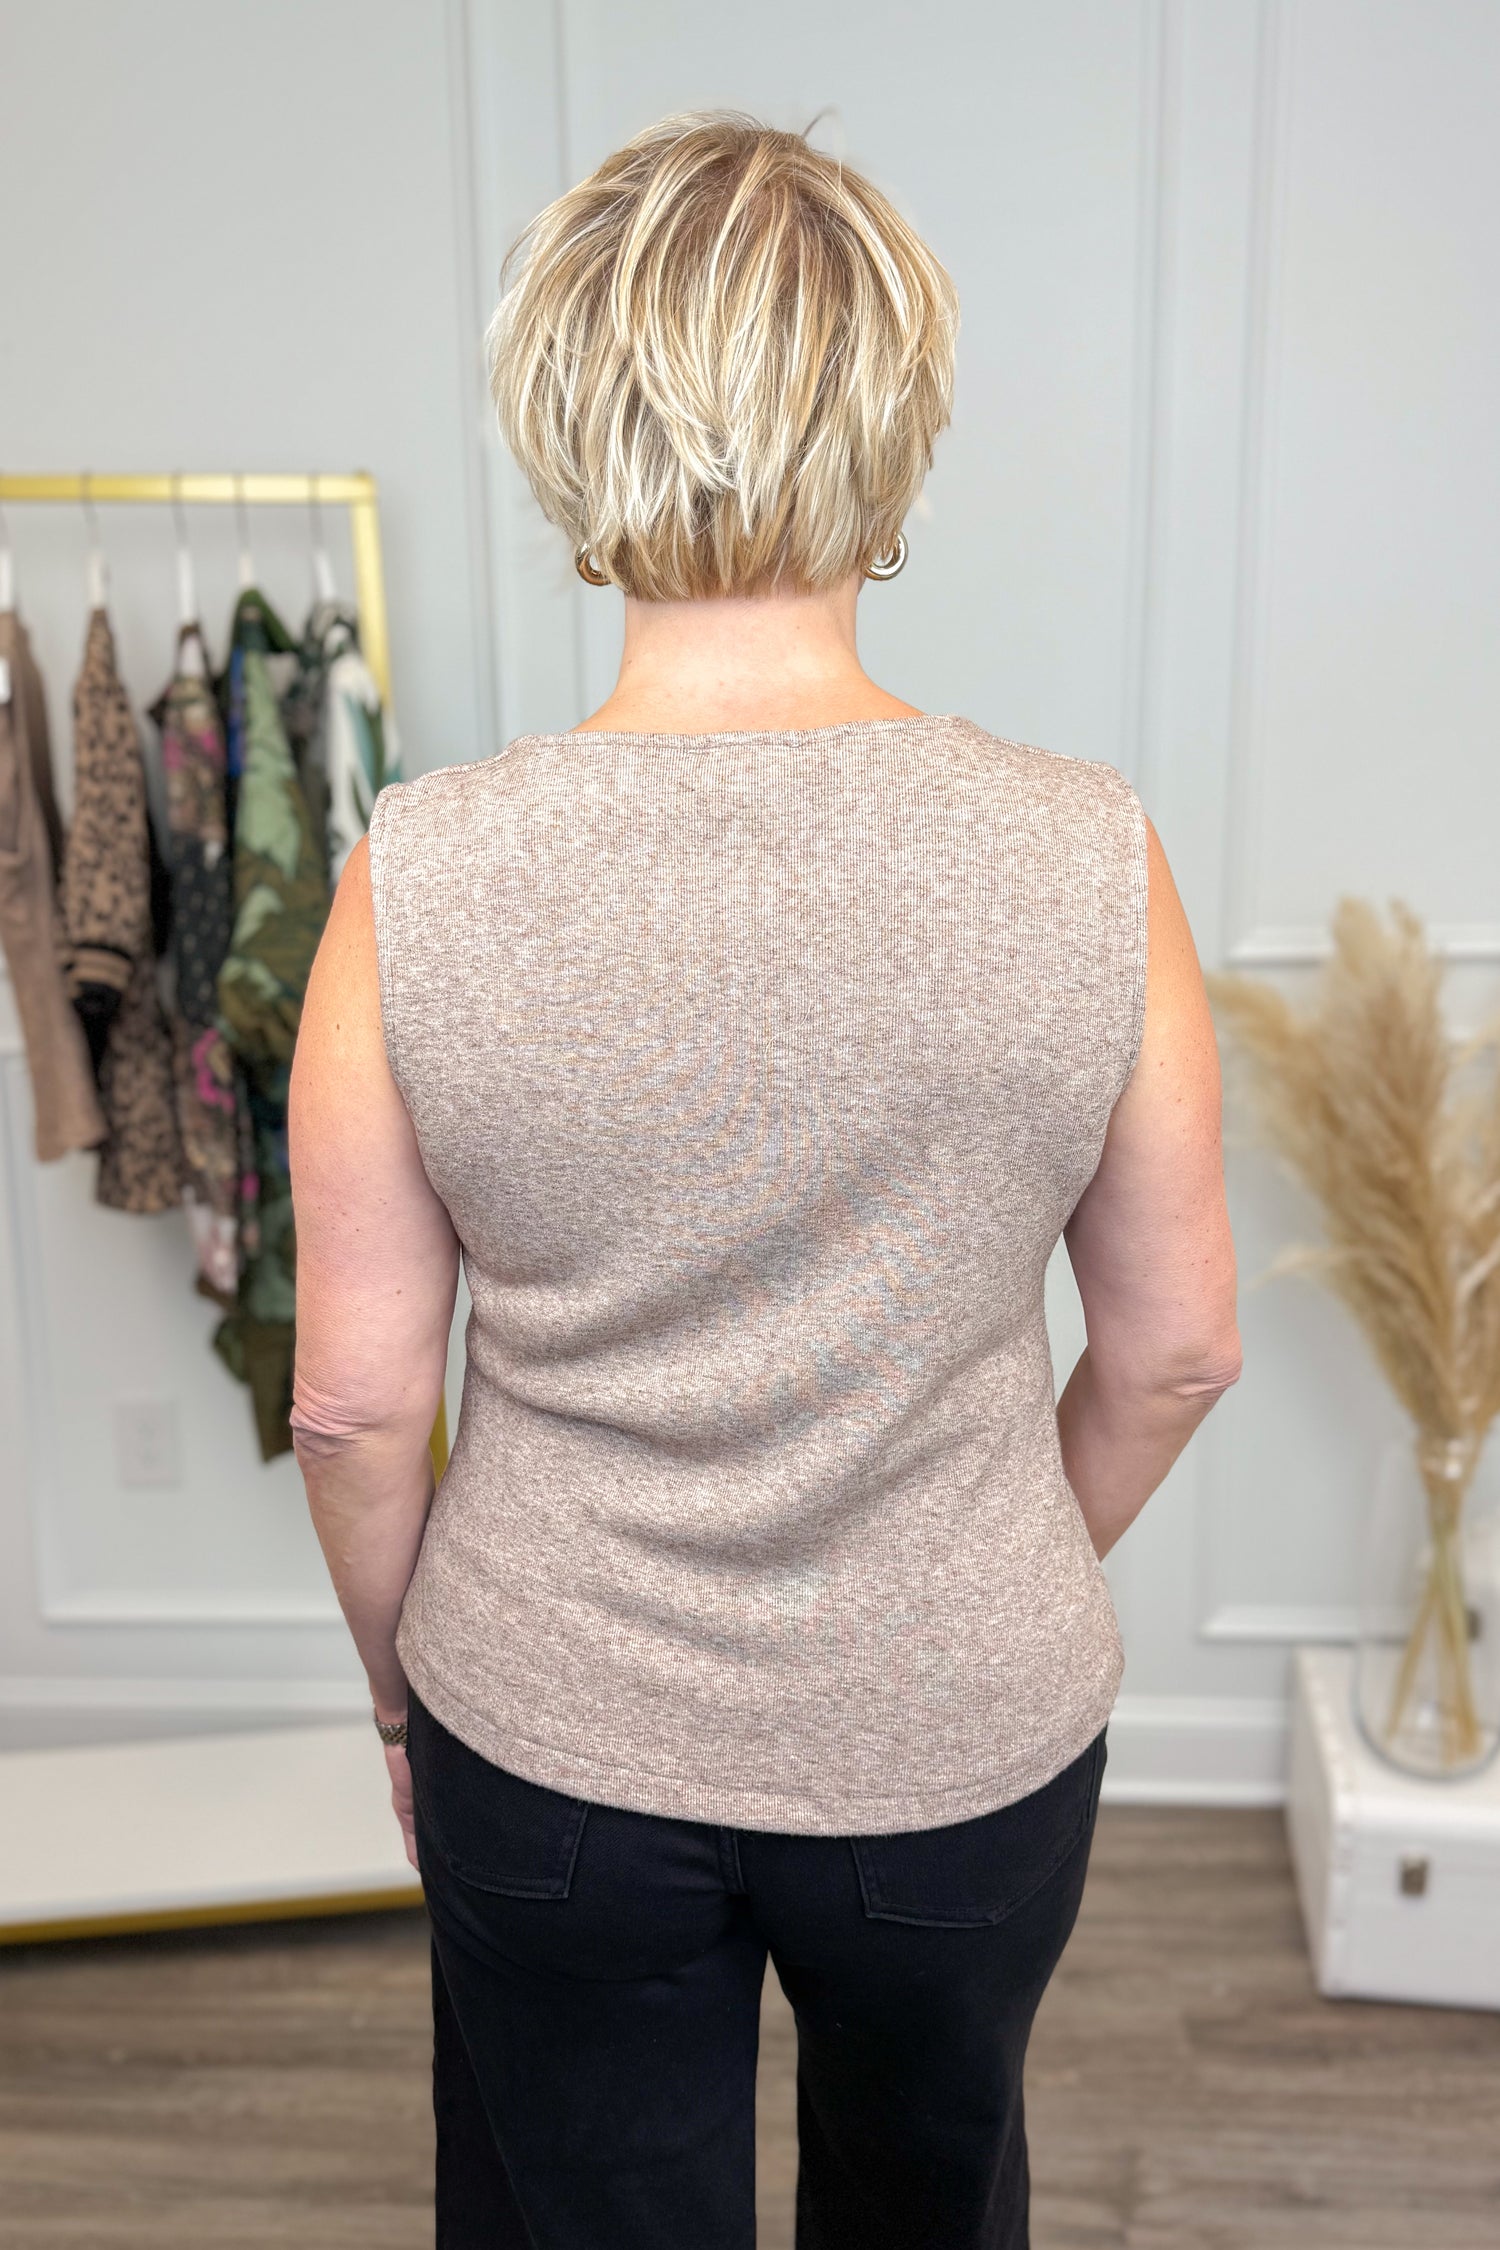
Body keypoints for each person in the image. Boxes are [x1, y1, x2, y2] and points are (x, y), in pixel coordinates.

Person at [288, 110, 1241, 2250]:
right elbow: (1174, 1355)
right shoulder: (1090, 853)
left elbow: (351, 1405)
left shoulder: (420, 874)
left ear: (566, 417)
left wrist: (398, 1688)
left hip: (552, 1738)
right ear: (892, 416)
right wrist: (971, 1565)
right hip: (967, 1738)